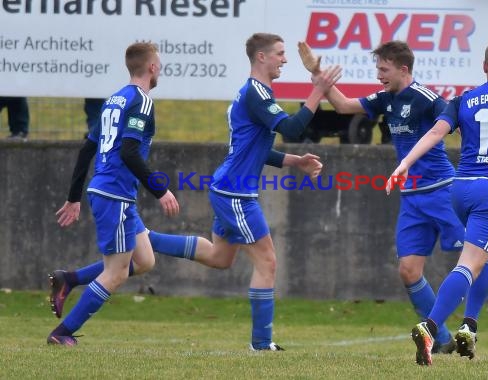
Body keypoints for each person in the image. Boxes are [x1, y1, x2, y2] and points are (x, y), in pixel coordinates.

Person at [49, 32, 341, 351]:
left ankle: (80, 275)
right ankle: (261, 344)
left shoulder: (116, 99)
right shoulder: (249, 93)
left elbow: (250, 150)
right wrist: (319, 91)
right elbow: (293, 129)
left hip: (179, 190)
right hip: (224, 193)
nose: (285, 59)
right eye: (280, 54)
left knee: (199, 258)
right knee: (267, 262)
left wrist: (293, 161)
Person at [299, 40, 488, 356]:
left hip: (443, 192)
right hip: (411, 199)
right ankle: (442, 338)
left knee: (482, 257)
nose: (378, 75)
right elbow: (342, 105)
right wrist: (317, 74)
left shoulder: (426, 98)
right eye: (377, 69)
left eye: (383, 69)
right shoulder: (385, 99)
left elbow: (462, 129)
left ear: (403, 69)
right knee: (409, 270)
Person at [387, 33, 488, 365]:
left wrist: (404, 163)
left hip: (459, 189)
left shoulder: (465, 99)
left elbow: (434, 133)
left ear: (485, 66)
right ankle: (430, 328)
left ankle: (468, 327)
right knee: (470, 262)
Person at [46, 42, 181, 346]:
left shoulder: (114, 100)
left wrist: (74, 196)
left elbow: (87, 148)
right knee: (116, 273)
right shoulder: (142, 101)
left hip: (110, 193)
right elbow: (130, 152)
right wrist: (161, 190)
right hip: (115, 195)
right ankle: (62, 333)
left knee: (144, 259)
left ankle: (71, 279)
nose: (159, 68)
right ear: (152, 68)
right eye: (158, 63)